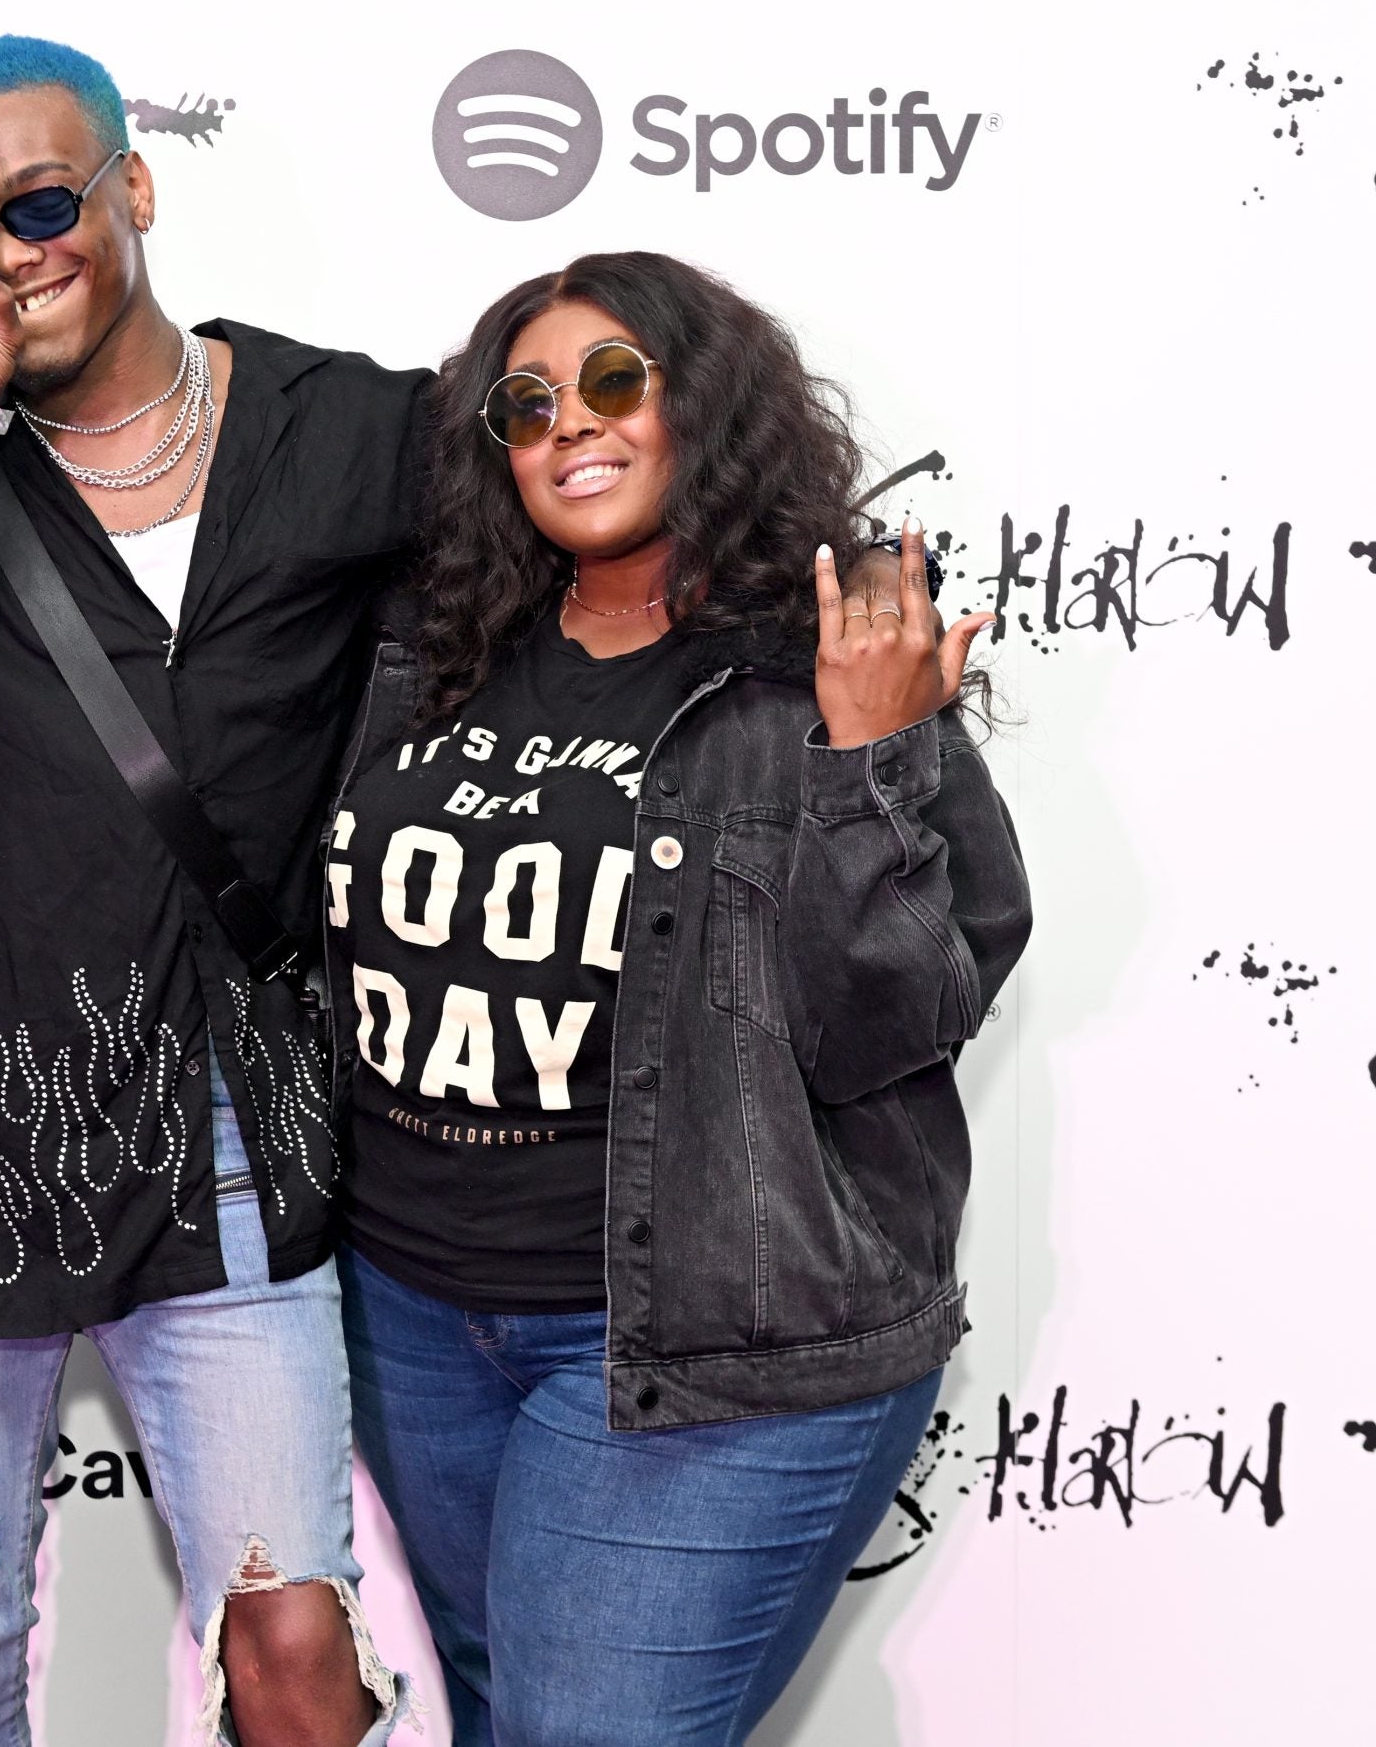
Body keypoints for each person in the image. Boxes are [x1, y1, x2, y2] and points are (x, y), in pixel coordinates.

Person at [0, 34, 421, 1747]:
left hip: (230, 1131)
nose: (2, 252)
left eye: (39, 202)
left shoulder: (344, 434)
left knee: (294, 1643)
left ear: (136, 189)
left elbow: (587, 545)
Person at [324, 251, 1033, 1746]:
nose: (571, 425)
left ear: (701, 403)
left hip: (709, 1337)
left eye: (614, 381)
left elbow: (898, 1021)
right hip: (410, 1315)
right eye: (527, 404)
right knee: (504, 1703)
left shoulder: (823, 669)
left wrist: (867, 764)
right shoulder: (422, 653)